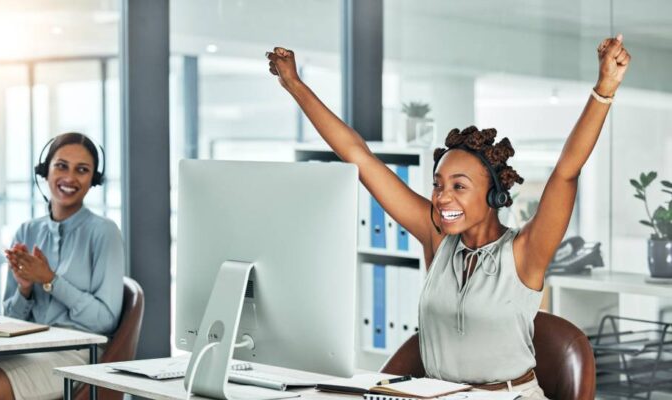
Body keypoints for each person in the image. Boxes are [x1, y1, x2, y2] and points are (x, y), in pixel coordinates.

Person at [266, 34, 630, 398]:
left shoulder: (525, 251)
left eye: (459, 186)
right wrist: (294, 85)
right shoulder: (437, 237)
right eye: (438, 184)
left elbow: (566, 171)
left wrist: (604, 89)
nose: (441, 198)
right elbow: (358, 156)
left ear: (493, 195)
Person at [0, 132, 124, 400]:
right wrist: (24, 289)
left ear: (93, 179)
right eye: (61, 166)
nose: (70, 177)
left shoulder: (104, 232)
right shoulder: (27, 231)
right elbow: (11, 318)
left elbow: (105, 320)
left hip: (77, 351)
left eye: (82, 170)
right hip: (30, 346)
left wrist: (50, 280)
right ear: (45, 171)